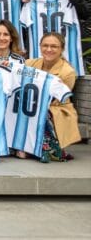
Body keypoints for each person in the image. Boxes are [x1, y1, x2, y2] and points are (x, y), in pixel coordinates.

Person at [24, 32, 79, 160]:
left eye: (54, 46)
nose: (49, 49)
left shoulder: (68, 72)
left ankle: (44, 148)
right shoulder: (30, 64)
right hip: (32, 105)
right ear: (40, 46)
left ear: (62, 49)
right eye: (45, 45)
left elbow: (54, 100)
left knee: (40, 111)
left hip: (56, 109)